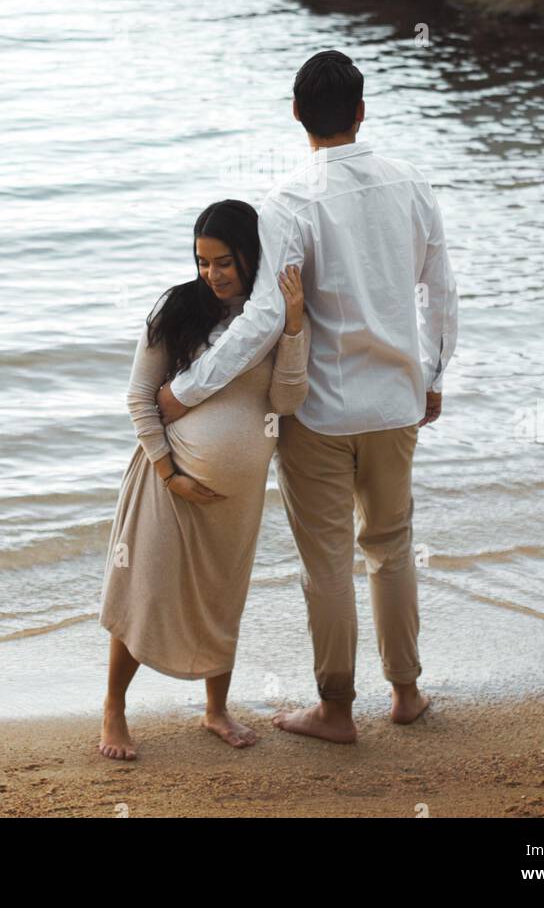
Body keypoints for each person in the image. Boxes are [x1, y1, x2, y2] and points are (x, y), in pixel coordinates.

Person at [157, 49, 458, 744]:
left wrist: (184, 391)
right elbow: (439, 293)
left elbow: (265, 318)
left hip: (319, 411)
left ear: (297, 115)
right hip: (396, 403)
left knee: (326, 562)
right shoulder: (412, 183)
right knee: (391, 546)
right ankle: (406, 693)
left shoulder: (290, 200)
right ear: (361, 110)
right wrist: (434, 377)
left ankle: (336, 709)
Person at [98, 199, 309, 760]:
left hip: (234, 499)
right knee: (147, 592)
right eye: (202, 262)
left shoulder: (269, 318)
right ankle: (114, 709)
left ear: (249, 256)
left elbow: (287, 400)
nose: (212, 274)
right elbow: (140, 399)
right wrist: (171, 474)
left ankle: (216, 710)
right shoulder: (177, 311)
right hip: (168, 486)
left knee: (222, 597)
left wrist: (293, 329)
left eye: (224, 262)